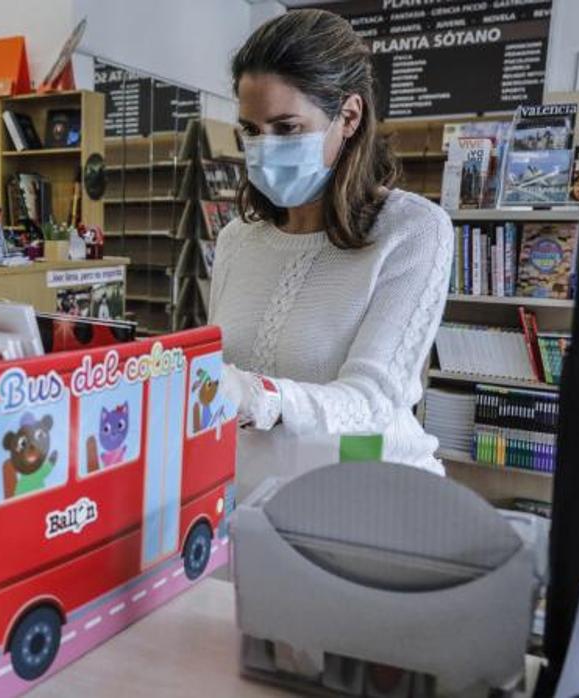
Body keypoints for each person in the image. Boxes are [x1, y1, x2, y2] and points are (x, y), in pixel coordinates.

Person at [212, 9, 454, 493]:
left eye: (286, 128)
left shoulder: (413, 231)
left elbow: (373, 402)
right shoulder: (236, 239)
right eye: (251, 131)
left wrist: (260, 396)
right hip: (255, 501)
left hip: (366, 497)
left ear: (348, 117)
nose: (263, 147)